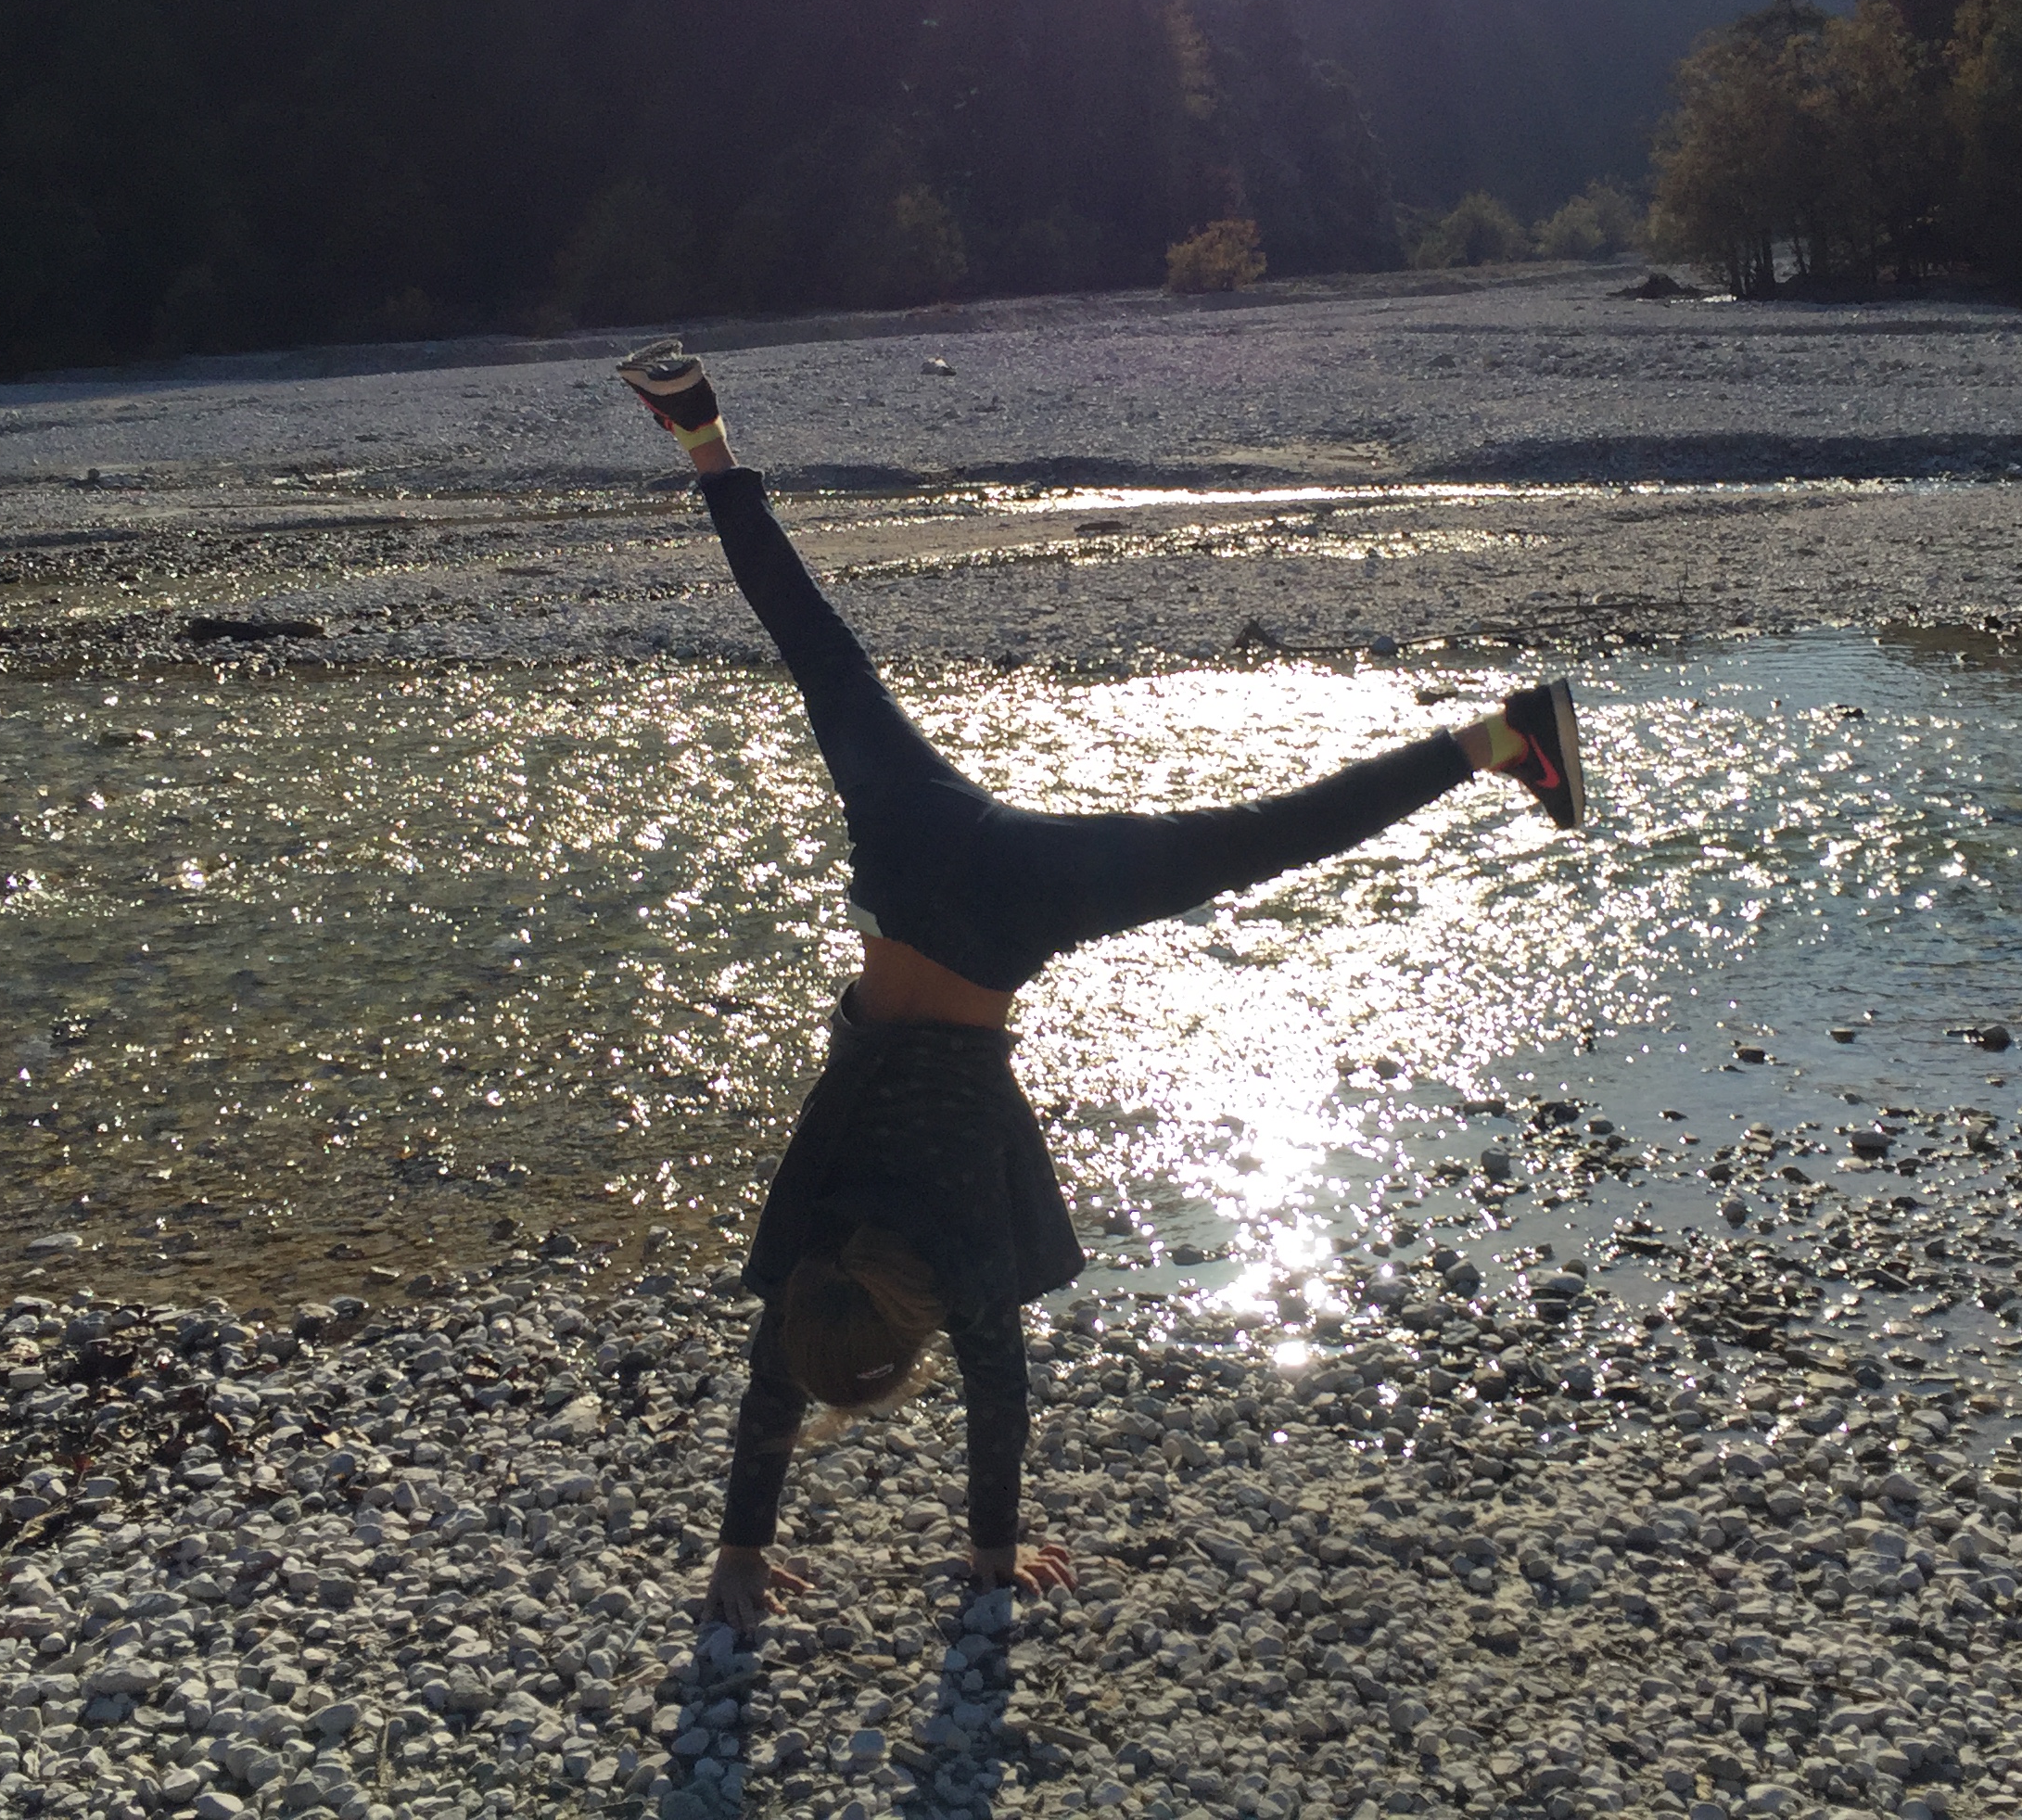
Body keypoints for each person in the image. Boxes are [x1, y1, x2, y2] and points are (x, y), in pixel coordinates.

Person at [616, 340, 1587, 1632]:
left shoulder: (954, 1256)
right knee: (814, 645)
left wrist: (988, 1552)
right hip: (912, 851)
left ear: (910, 1339)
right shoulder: (811, 1245)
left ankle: (1504, 737)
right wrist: (743, 1552)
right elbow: (775, 1374)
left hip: (1010, 909)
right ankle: (701, 432)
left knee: (1258, 840)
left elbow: (995, 1388)